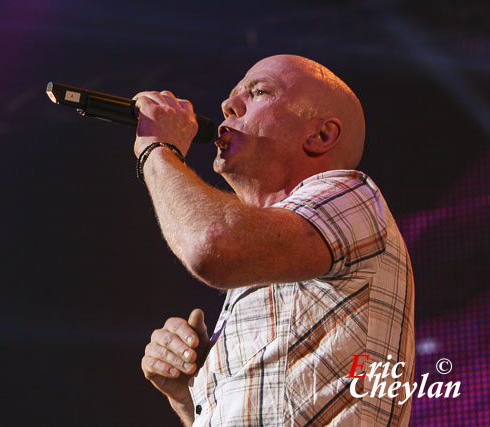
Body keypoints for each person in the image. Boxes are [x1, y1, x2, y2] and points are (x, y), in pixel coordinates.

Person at [135, 55, 415, 426]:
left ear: (321, 136)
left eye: (259, 91)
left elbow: (210, 245)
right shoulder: (284, 250)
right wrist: (193, 395)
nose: (228, 104)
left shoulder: (352, 196)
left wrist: (157, 150)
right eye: (234, 94)